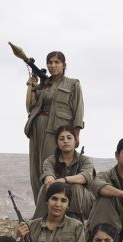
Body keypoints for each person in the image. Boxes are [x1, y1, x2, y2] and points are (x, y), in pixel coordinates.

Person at [24, 51, 85, 201]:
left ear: (64, 65)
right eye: (50, 62)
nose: (53, 65)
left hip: (56, 131)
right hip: (36, 127)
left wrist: (76, 134)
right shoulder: (44, 84)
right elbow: (30, 106)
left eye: (57, 62)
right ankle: (39, 209)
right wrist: (31, 86)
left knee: (49, 167)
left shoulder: (73, 84)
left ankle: (52, 205)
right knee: (35, 170)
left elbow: (78, 110)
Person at [32, 125, 95, 220]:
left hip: (84, 201)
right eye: (61, 139)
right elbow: (48, 175)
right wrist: (50, 182)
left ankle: (76, 223)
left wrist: (64, 180)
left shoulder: (85, 160)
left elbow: (84, 177)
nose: (65, 141)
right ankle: (38, 223)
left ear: (75, 141)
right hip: (60, 197)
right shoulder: (50, 160)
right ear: (57, 142)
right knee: (45, 187)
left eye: (69, 138)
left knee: (75, 186)